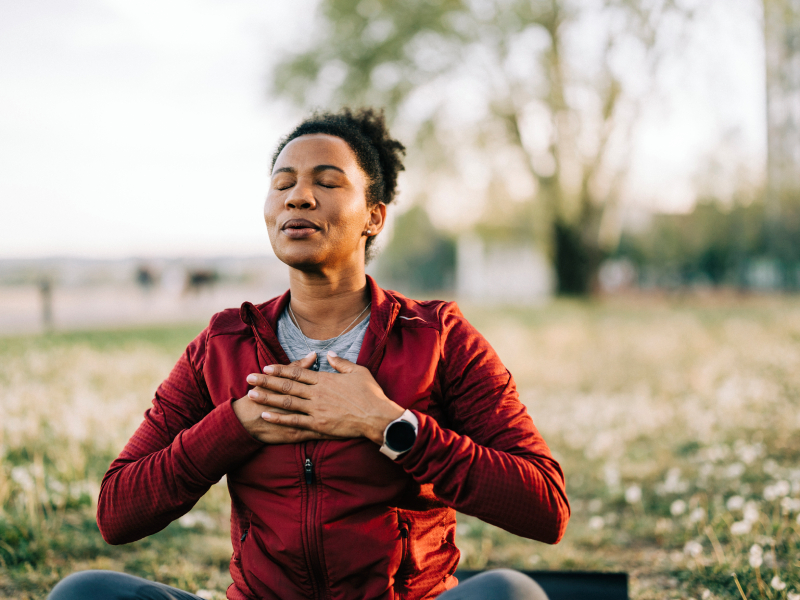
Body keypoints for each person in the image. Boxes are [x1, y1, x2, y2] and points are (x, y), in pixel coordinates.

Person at [49, 108, 570, 600]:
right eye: (283, 183)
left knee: (510, 593)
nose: (298, 197)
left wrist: (389, 424)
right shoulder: (224, 344)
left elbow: (545, 507)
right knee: (83, 594)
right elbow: (117, 513)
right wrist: (234, 427)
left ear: (373, 216)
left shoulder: (438, 337)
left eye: (326, 182)